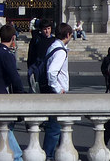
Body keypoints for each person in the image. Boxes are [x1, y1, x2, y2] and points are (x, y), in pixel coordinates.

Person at [0, 24, 25, 161]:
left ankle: (17, 156)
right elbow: (15, 77)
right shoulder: (7, 55)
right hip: (1, 94)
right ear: (13, 38)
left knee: (3, 127)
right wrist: (20, 93)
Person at [42, 23, 72, 160]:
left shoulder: (53, 46)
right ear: (68, 35)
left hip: (53, 91)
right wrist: (58, 89)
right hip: (57, 93)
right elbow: (52, 72)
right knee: (55, 127)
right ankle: (48, 155)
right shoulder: (60, 51)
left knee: (59, 126)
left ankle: (60, 153)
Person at [25, 19, 53, 93]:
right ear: (41, 30)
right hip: (38, 69)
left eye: (48, 28)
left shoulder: (54, 41)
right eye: (45, 29)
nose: (47, 31)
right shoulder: (36, 40)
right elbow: (31, 55)